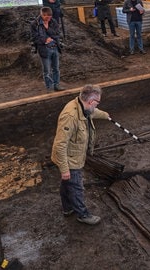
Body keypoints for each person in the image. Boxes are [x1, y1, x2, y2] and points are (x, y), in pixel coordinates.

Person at [51, 84, 110, 225]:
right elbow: (60, 145)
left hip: (73, 154)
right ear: (91, 102)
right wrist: (64, 169)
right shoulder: (70, 116)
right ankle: (83, 215)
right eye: (97, 103)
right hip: (70, 159)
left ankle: (67, 208)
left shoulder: (81, 106)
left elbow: (93, 112)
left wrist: (105, 115)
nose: (96, 106)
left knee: (67, 184)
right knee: (76, 186)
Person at [30, 7, 65, 91]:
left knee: (56, 68)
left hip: (55, 47)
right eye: (46, 17)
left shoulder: (53, 21)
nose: (48, 19)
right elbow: (34, 38)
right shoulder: (35, 24)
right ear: (42, 15)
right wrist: (45, 40)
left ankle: (57, 85)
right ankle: (49, 87)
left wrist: (48, 30)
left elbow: (57, 34)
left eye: (50, 17)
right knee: (47, 70)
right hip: (44, 49)